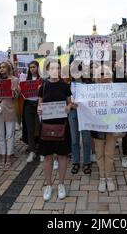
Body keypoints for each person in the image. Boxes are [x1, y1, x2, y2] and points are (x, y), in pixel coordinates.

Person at [37, 60, 72, 201]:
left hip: (62, 125)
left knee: (62, 156)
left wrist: (69, 107)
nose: (55, 70)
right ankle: (49, 185)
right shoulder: (43, 86)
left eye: (57, 68)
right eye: (52, 68)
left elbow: (70, 103)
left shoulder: (65, 86)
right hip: (47, 126)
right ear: (47, 70)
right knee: (47, 157)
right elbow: (39, 105)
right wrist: (39, 109)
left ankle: (61, 184)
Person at [89, 65, 119, 193]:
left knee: (110, 153)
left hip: (111, 124)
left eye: (105, 74)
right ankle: (102, 177)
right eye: (100, 74)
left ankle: (109, 177)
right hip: (97, 125)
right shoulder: (90, 90)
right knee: (99, 153)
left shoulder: (117, 89)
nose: (103, 77)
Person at [0, 62, 20, 169]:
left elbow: (17, 95)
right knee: (0, 135)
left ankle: (9, 157)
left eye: (3, 67)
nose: (1, 69)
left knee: (9, 135)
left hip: (9, 108)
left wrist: (15, 91)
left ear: (8, 68)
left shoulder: (14, 79)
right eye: (0, 67)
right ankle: (2, 157)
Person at [68, 61, 92, 175]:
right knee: (74, 139)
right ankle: (76, 162)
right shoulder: (68, 84)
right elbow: (65, 100)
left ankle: (87, 162)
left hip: (85, 113)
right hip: (73, 112)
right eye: (72, 70)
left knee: (86, 139)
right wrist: (70, 105)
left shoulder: (88, 84)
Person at [24, 61, 42, 163]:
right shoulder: (26, 80)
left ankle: (42, 150)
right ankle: (32, 151)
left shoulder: (42, 80)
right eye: (30, 67)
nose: (32, 69)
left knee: (39, 128)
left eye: (34, 67)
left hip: (39, 106)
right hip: (28, 106)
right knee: (30, 129)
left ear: (38, 68)